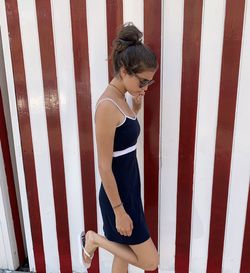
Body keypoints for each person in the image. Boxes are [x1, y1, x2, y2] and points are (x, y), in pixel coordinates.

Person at [80, 22, 159, 272]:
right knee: (150, 261)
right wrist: (119, 211)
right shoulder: (107, 106)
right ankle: (93, 239)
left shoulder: (121, 99)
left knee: (123, 255)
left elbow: (123, 138)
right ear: (124, 71)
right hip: (119, 196)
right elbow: (104, 165)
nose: (145, 87)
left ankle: (98, 239)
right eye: (143, 81)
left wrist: (135, 107)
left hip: (129, 188)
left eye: (150, 83)